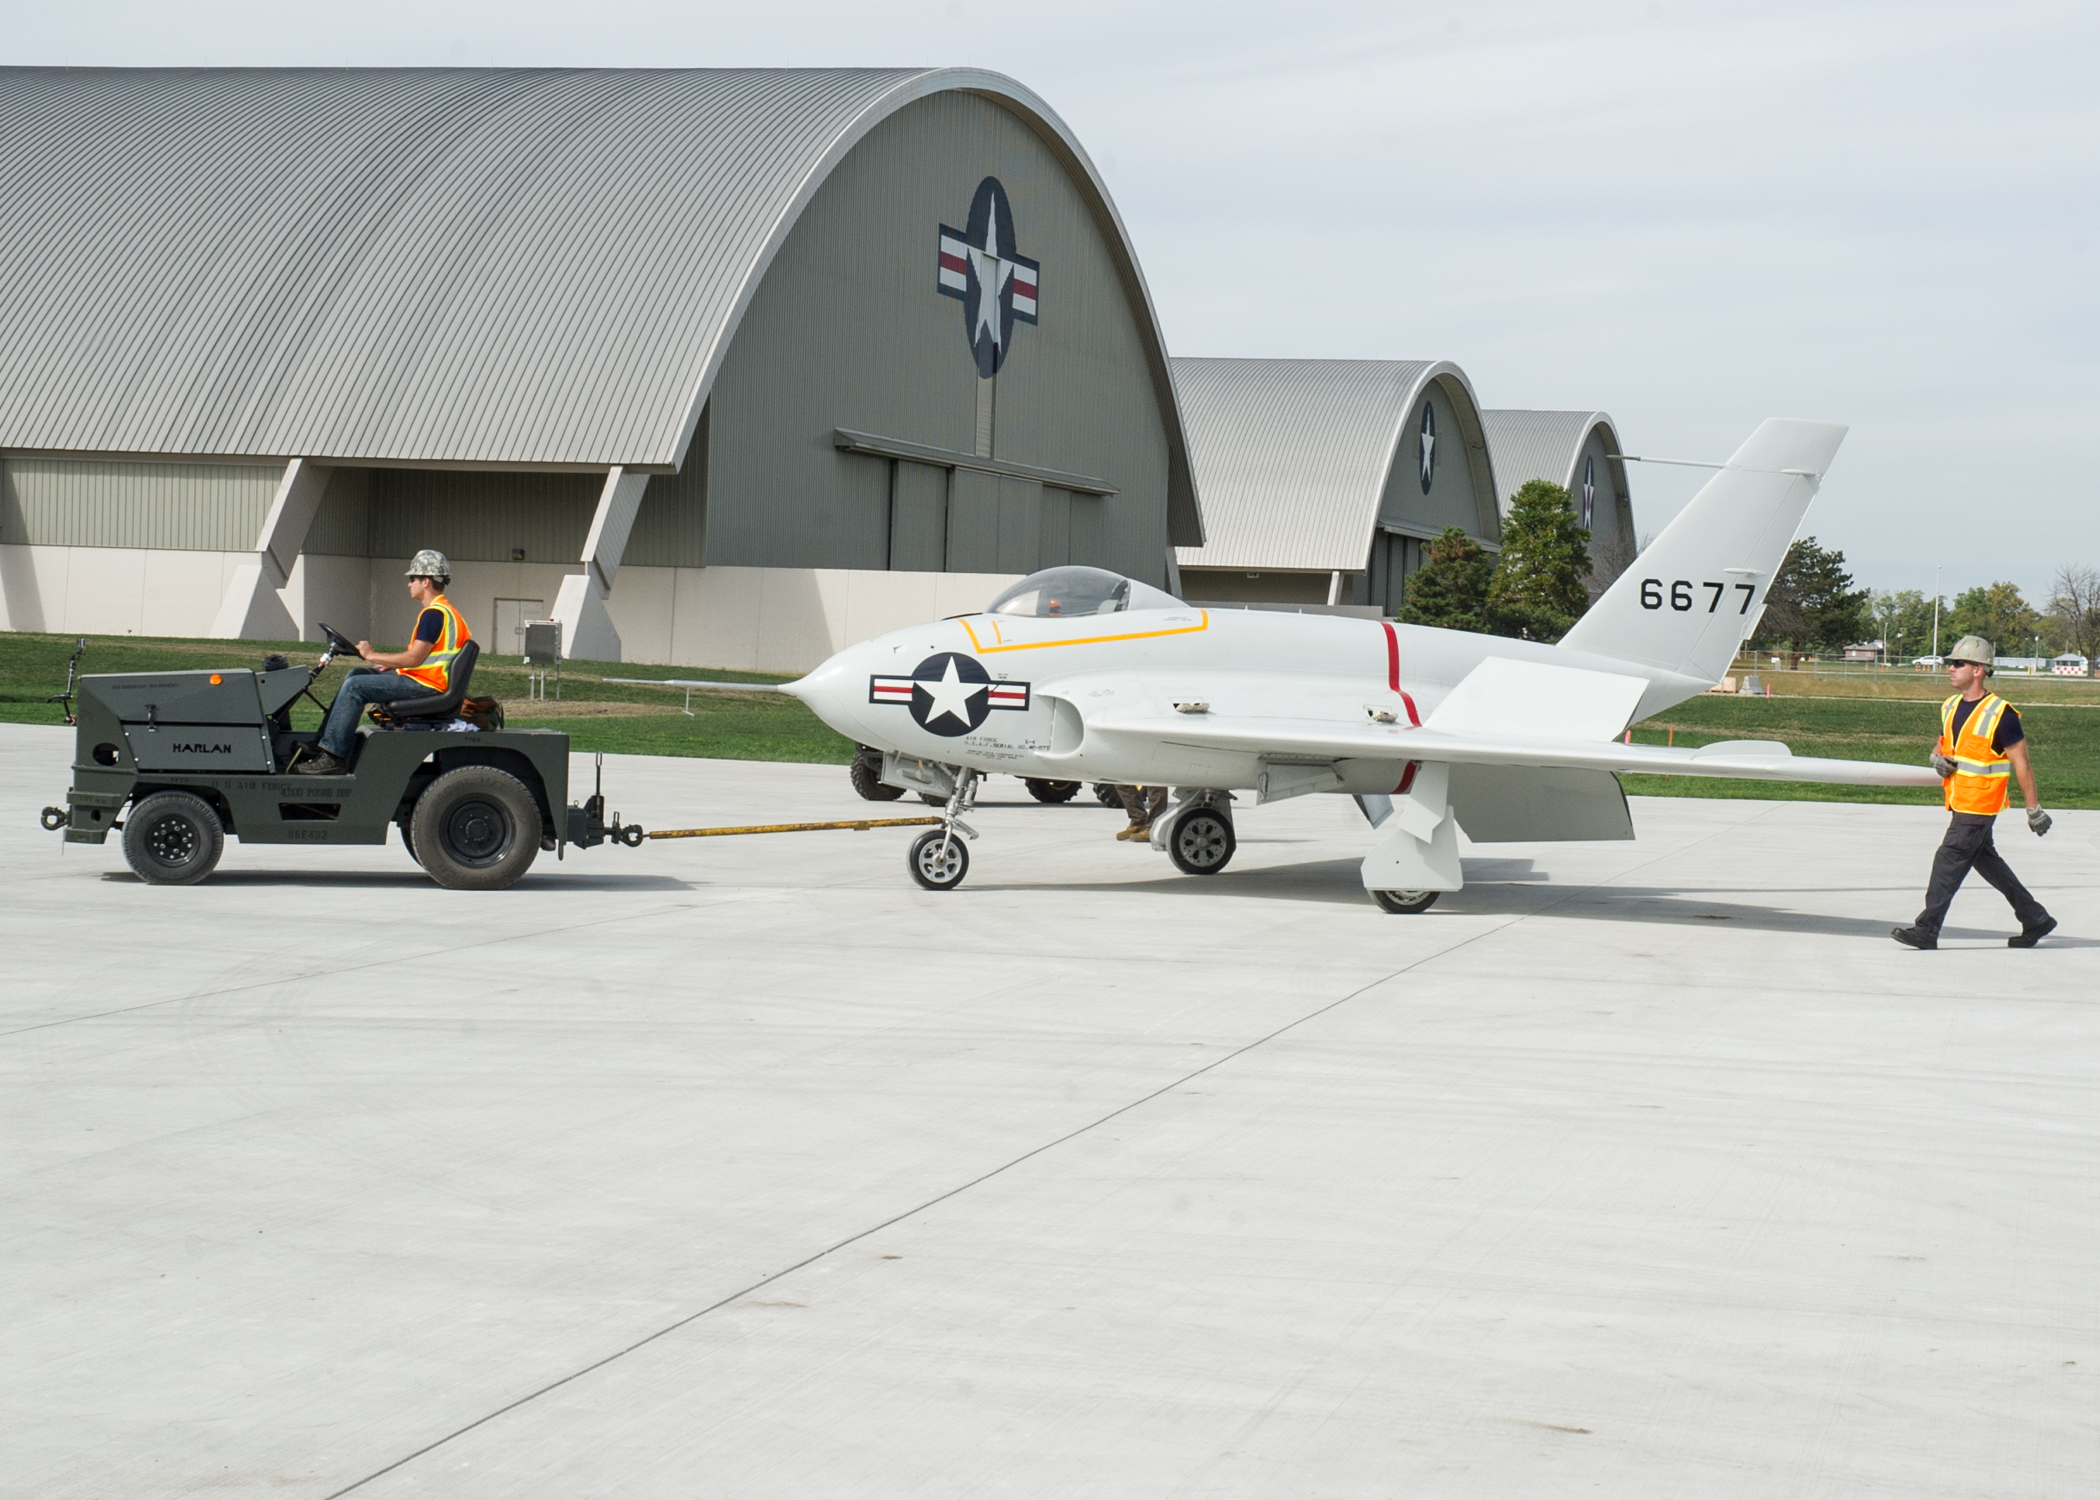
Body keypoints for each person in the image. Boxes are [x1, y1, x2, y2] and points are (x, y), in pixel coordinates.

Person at [1892, 635, 2056, 949]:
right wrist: (1937, 760)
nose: (1950, 669)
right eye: (1951, 663)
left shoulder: (2001, 714)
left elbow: (2022, 763)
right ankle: (2035, 918)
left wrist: (2034, 810)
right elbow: (1942, 746)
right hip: (1959, 799)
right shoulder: (1951, 706)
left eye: (1958, 663)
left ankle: (1926, 930)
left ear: (1979, 669)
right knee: (1986, 860)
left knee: (1948, 859)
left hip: (1980, 804)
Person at [297, 550, 471, 775]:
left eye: (412, 579)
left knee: (355, 687)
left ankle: (333, 757)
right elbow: (427, 657)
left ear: (425, 581)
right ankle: (321, 742)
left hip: (426, 685)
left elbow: (414, 658)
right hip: (427, 680)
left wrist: (372, 655)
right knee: (355, 675)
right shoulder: (447, 613)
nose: (409, 584)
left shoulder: (434, 615)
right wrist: (391, 665)